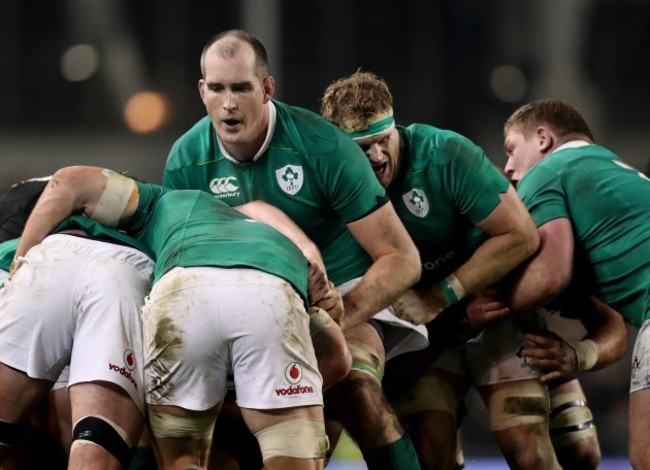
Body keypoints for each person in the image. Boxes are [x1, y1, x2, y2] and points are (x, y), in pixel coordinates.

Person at [163, 30, 423, 469]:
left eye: (242, 88)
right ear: (202, 91)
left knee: (357, 390)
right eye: (219, 88)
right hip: (246, 308)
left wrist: (344, 312)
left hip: (340, 290)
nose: (229, 104)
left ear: (266, 89)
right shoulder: (186, 160)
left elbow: (402, 257)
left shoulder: (322, 146)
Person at [319, 70, 579, 470]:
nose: (375, 158)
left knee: (535, 450)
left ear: (394, 126)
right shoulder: (330, 182)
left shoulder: (446, 155)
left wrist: (442, 295)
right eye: (360, 148)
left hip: (487, 307)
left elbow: (521, 235)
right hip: (427, 332)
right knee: (431, 450)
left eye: (381, 141)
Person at [16, 165, 339, 470]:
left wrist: (22, 260)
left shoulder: (164, 202)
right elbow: (338, 354)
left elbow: (70, 180)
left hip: (183, 291)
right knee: (296, 447)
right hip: (269, 290)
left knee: (180, 453)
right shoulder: (281, 243)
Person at [501, 98, 650, 468]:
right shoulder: (605, 181)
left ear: (542, 138)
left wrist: (467, 300)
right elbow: (611, 326)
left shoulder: (549, 170)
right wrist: (578, 355)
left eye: (511, 149)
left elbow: (551, 276)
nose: (507, 168)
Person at [1, 197, 155, 468]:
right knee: (98, 437)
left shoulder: (13, 235)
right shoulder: (147, 206)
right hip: (124, 266)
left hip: (44, 264)